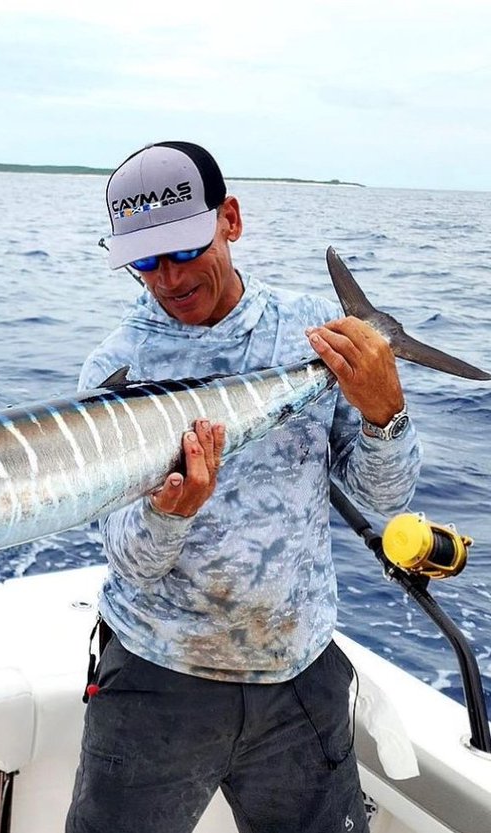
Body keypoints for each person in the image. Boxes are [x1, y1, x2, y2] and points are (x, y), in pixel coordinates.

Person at [66, 141, 419, 833]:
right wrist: (170, 517)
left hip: (299, 675)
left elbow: (384, 499)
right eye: (144, 260)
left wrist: (386, 411)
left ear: (230, 218)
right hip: (155, 676)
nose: (166, 278)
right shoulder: (115, 368)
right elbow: (132, 563)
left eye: (182, 247)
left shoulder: (320, 334)